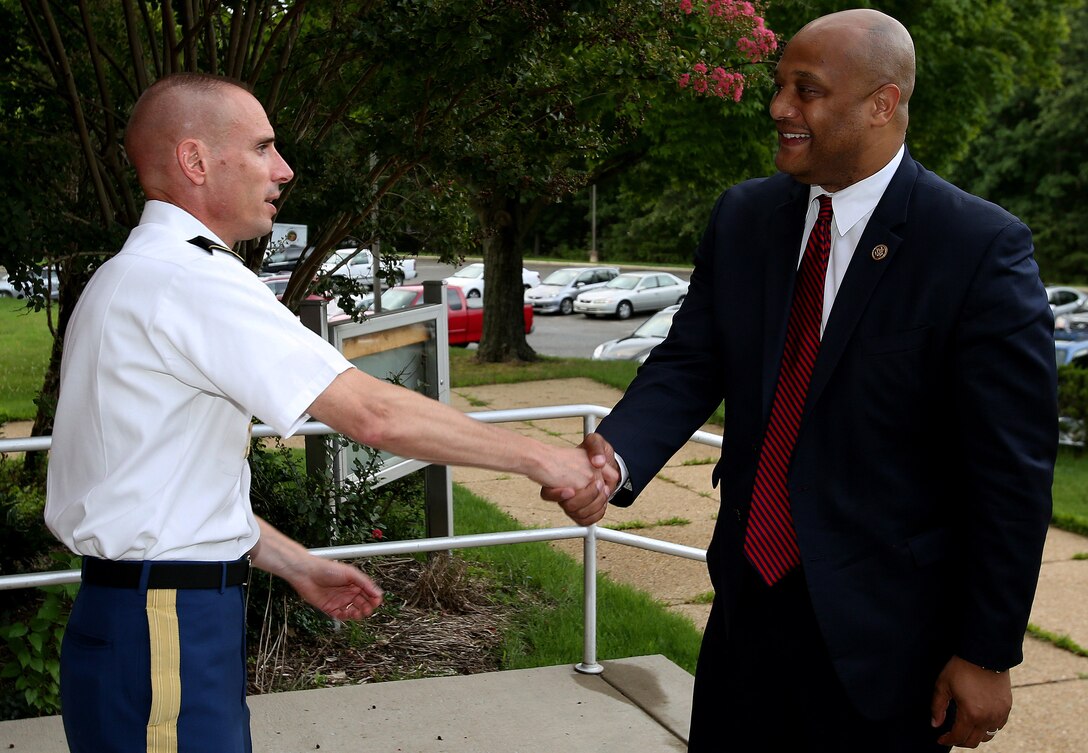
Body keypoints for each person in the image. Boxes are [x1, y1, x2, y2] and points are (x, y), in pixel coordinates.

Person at [44, 73, 614, 753]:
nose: (282, 170)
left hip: (142, 616)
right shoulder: (189, 279)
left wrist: (293, 562)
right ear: (195, 161)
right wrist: (548, 459)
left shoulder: (127, 276)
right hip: (164, 624)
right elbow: (369, 413)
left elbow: (158, 493)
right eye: (262, 148)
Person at [544, 9, 1056, 752]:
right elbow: (691, 361)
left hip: (887, 644)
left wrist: (986, 651)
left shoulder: (978, 248)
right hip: (747, 611)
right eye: (780, 85)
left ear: (883, 103)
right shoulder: (744, 217)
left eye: (806, 90)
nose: (780, 107)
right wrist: (613, 456)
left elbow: (1012, 472)